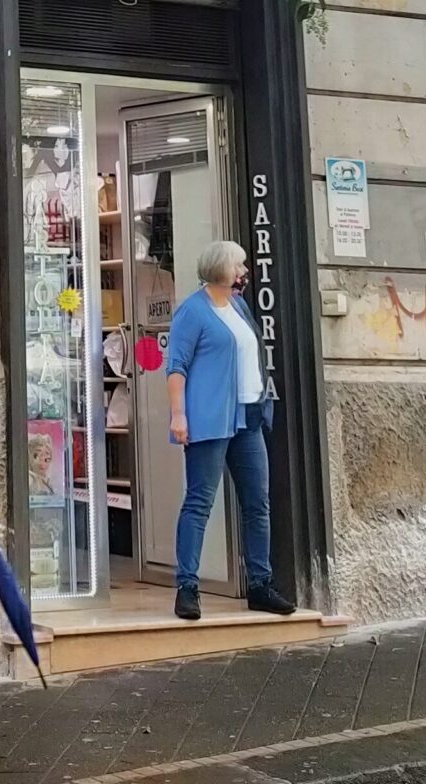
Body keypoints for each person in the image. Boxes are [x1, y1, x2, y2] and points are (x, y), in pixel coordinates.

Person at [164, 239, 294, 621]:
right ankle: (187, 587)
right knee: (199, 502)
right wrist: (178, 415)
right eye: (239, 265)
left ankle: (260, 585)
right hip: (211, 418)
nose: (244, 272)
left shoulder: (238, 306)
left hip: (249, 416)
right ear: (221, 268)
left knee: (257, 503)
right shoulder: (192, 311)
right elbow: (176, 366)